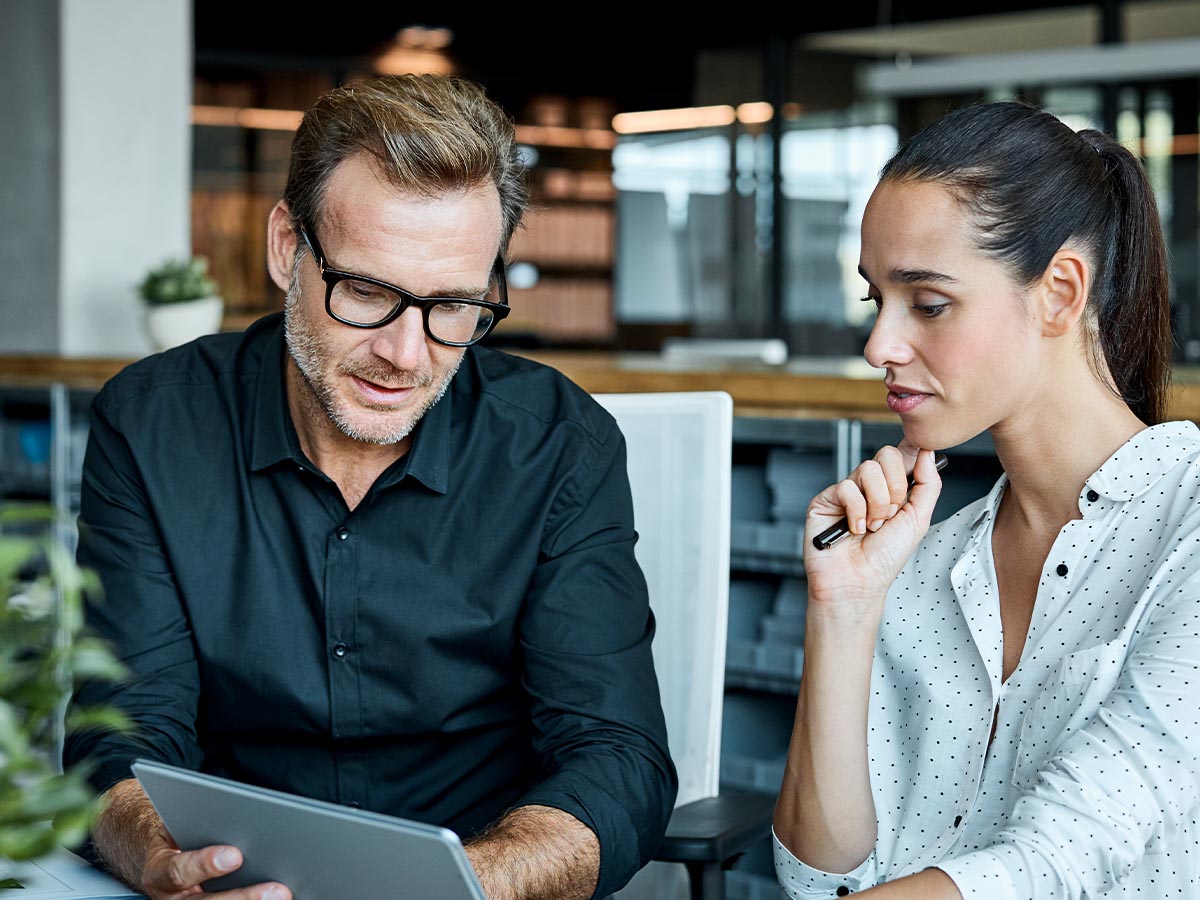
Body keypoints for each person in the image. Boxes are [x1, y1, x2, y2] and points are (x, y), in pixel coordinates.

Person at [64, 74, 676, 900]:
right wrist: (163, 861)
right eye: (367, 292)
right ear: (288, 247)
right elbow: (121, 736)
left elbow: (617, 759)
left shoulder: (560, 445)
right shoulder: (152, 425)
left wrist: (459, 886)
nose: (407, 354)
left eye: (454, 304)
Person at [772, 100, 1199, 900]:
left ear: (1060, 292)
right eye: (877, 301)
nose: (878, 347)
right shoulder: (922, 558)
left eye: (928, 303)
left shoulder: (1188, 530)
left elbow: (1059, 856)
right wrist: (844, 610)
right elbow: (817, 875)